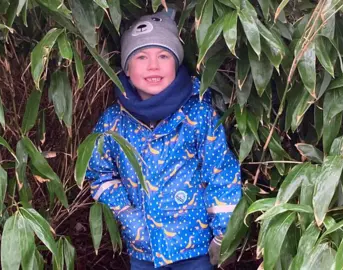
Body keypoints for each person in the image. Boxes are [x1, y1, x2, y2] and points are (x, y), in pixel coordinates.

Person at [86, 11, 242, 270]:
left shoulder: (198, 113)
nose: (153, 66)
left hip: (195, 249)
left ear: (177, 63)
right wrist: (127, 215)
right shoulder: (114, 122)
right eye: (141, 57)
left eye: (163, 56)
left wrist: (224, 233)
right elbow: (99, 173)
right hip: (144, 250)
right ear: (126, 68)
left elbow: (220, 173)